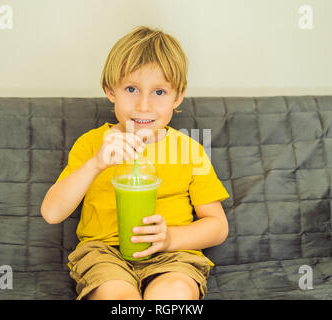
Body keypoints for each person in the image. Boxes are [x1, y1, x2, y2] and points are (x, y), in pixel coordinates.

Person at [40, 25, 230, 300]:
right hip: (105, 255)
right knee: (119, 298)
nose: (144, 105)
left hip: (172, 256)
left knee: (174, 293)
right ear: (110, 90)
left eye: (159, 92)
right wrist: (95, 164)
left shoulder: (189, 150)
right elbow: (52, 213)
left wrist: (170, 239)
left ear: (178, 96)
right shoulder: (93, 145)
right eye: (131, 89)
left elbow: (217, 226)